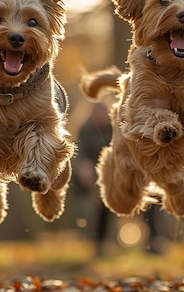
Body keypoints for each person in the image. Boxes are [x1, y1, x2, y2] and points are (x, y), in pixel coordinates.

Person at [74, 103, 113, 256]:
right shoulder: (85, 130)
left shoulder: (113, 129)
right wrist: (83, 166)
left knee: (105, 209)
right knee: (87, 210)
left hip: (106, 176)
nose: (99, 117)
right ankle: (89, 241)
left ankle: (102, 244)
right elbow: (80, 151)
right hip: (87, 177)